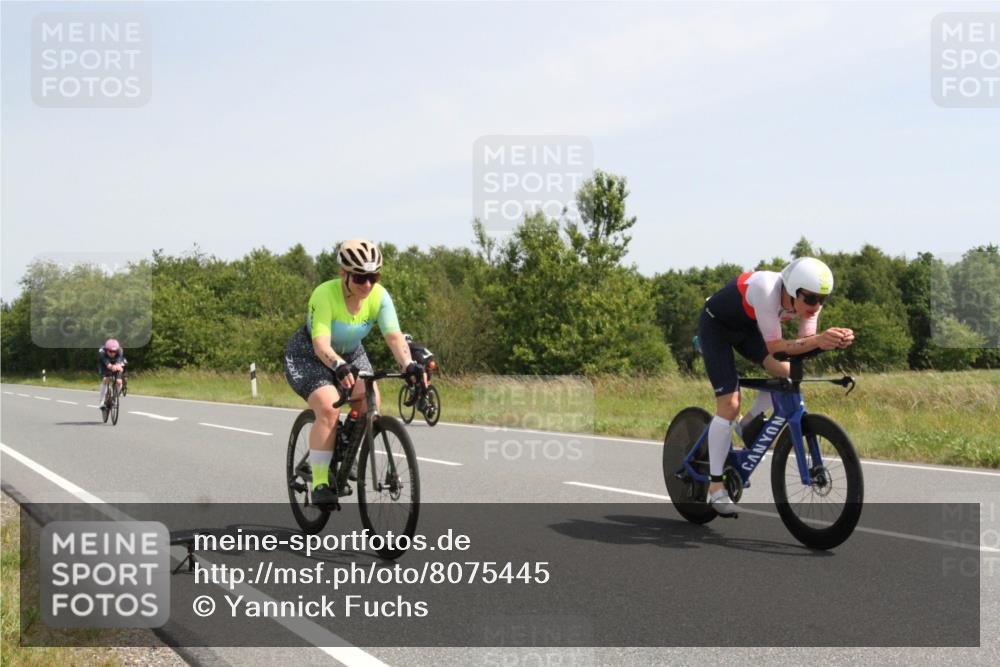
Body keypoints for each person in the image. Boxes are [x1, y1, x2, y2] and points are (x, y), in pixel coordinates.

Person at [697, 257, 854, 515]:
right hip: (717, 327)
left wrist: (831, 341)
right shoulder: (766, 289)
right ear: (793, 291)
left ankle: (748, 423)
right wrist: (819, 340)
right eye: (811, 299)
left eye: (822, 299)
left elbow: (803, 346)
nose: (816, 306)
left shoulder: (807, 301)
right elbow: (775, 347)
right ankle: (715, 488)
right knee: (729, 404)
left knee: (788, 376)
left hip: (748, 329)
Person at [283, 239, 424, 506]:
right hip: (309, 355)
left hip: (350, 353)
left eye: (373, 276)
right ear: (344, 274)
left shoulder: (379, 296)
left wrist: (409, 366)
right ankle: (322, 480)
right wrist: (337, 366)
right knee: (328, 408)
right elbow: (320, 344)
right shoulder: (324, 294)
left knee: (371, 402)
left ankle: (343, 447)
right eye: (361, 277)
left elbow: (394, 337)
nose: (368, 284)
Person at [97, 339, 127, 418]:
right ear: (106, 350)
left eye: (114, 351)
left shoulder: (120, 351)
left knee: (119, 381)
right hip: (104, 365)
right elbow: (108, 364)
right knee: (105, 379)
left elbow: (118, 361)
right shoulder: (102, 352)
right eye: (110, 351)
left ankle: (115, 397)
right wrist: (112, 366)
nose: (112, 353)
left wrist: (119, 366)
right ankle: (101, 401)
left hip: (115, 363)